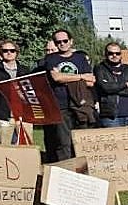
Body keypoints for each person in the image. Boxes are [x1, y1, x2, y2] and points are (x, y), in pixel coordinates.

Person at [41, 29, 96, 162]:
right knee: (63, 142)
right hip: (61, 105)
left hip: (80, 104)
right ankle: (65, 170)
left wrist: (66, 77)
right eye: (58, 42)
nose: (62, 44)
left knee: (81, 141)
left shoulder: (80, 58)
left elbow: (90, 81)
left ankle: (82, 169)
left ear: (71, 41)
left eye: (65, 41)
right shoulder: (51, 59)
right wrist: (81, 77)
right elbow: (57, 78)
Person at [93, 42, 128, 156]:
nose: (114, 55)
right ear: (105, 54)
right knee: (116, 152)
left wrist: (115, 89)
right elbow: (105, 88)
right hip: (112, 116)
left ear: (121, 54)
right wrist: (125, 84)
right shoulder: (100, 68)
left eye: (117, 53)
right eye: (111, 53)